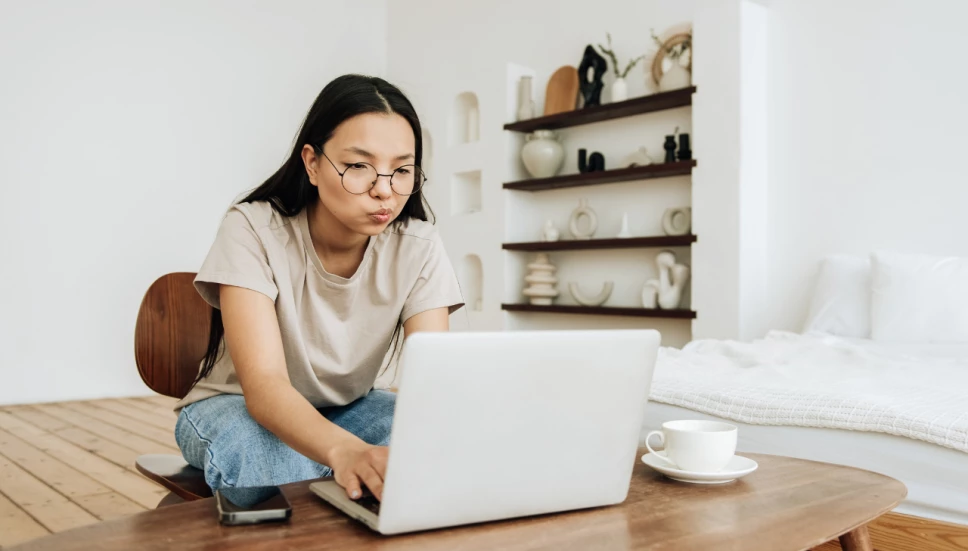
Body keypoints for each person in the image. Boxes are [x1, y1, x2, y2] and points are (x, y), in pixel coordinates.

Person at [173, 74, 464, 503]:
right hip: (234, 406)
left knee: (436, 443)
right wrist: (343, 451)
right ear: (311, 163)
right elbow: (265, 388)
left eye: (402, 170)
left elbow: (433, 383)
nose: (384, 189)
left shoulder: (417, 245)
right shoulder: (251, 228)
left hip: (351, 409)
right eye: (358, 166)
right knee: (274, 462)